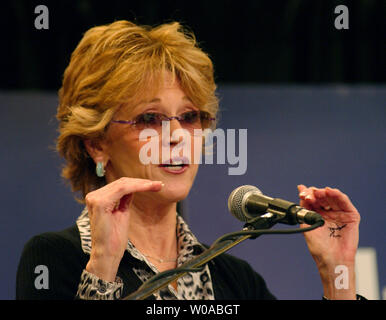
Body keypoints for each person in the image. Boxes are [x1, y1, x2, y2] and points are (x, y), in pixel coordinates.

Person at [16, 20, 362, 300]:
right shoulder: (56, 259)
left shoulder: (234, 280)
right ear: (97, 144)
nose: (177, 135)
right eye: (150, 119)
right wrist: (104, 266)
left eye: (190, 117)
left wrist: (337, 275)